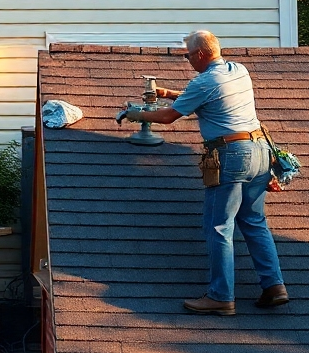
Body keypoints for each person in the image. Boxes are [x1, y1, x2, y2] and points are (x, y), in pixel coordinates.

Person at [118, 29, 288, 316]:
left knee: (219, 226)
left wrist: (134, 114)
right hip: (260, 153)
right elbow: (206, 97)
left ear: (200, 54)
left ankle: (221, 296)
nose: (187, 61)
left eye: (187, 55)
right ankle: (274, 287)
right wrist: (169, 93)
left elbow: (168, 116)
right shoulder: (239, 70)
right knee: (254, 220)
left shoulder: (205, 80)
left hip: (232, 156)